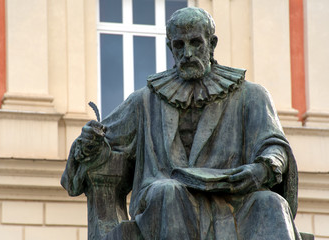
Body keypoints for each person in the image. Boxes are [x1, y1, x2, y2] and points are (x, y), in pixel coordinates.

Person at [62, 7, 301, 240]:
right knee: (168, 192)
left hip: (234, 200)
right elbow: (103, 144)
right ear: (170, 48)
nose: (187, 53)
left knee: (271, 202)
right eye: (179, 45)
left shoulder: (252, 95)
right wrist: (89, 145)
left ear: (212, 44)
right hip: (166, 203)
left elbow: (274, 146)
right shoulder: (145, 100)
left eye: (196, 43)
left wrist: (262, 168)